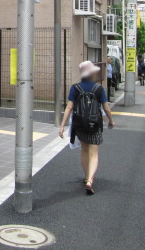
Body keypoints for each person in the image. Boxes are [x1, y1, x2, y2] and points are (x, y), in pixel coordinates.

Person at [59, 61, 115, 195]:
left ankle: (86, 177)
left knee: (84, 150)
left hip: (80, 124)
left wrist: (62, 126)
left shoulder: (75, 88)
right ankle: (90, 180)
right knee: (93, 153)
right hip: (94, 124)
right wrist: (111, 121)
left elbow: (69, 107)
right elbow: (106, 108)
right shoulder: (99, 89)